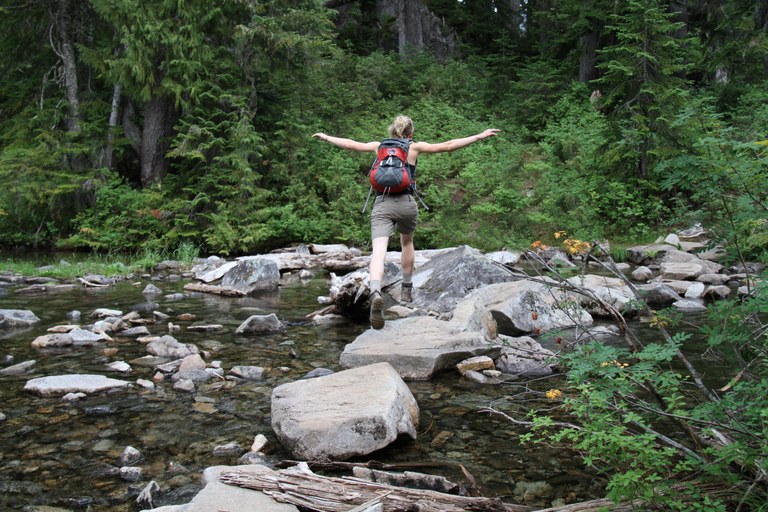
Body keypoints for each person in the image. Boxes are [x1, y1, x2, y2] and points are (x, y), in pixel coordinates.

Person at [313, 115, 500, 329]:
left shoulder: (379, 147)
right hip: (407, 203)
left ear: (392, 131)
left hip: (382, 203)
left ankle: (375, 291)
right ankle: (406, 289)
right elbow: (449, 146)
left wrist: (327, 137)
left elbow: (351, 144)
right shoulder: (414, 147)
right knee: (407, 243)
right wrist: (479, 135)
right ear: (411, 133)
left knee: (378, 252)